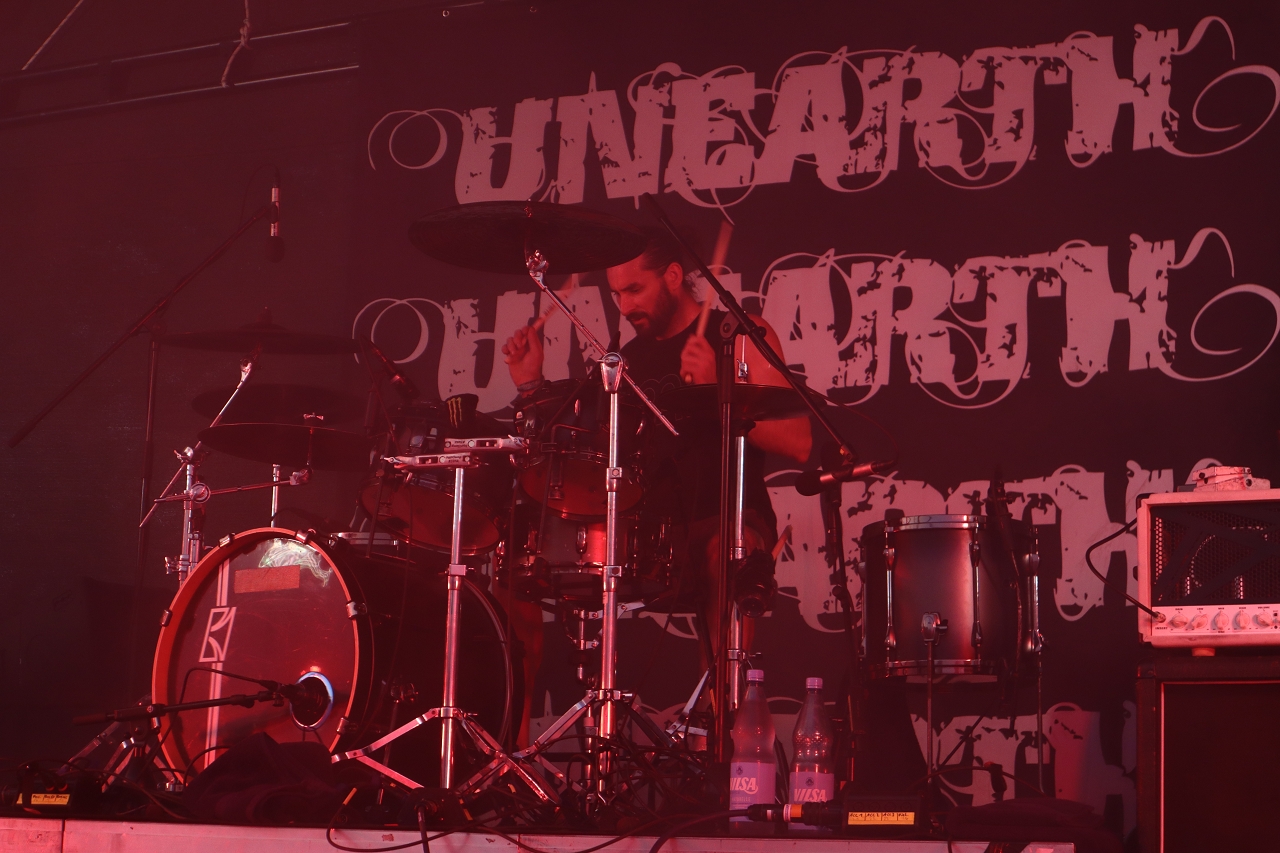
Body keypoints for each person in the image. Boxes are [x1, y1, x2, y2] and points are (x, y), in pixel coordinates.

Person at [500, 227, 812, 737]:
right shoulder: (625, 362)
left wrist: (719, 387)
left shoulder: (739, 332)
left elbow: (798, 441)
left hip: (725, 521)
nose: (624, 306)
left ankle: (723, 739)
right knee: (517, 568)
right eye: (616, 294)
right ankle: (512, 747)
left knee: (724, 553)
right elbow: (586, 456)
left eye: (634, 290)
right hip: (645, 535)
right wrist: (531, 384)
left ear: (672, 276)